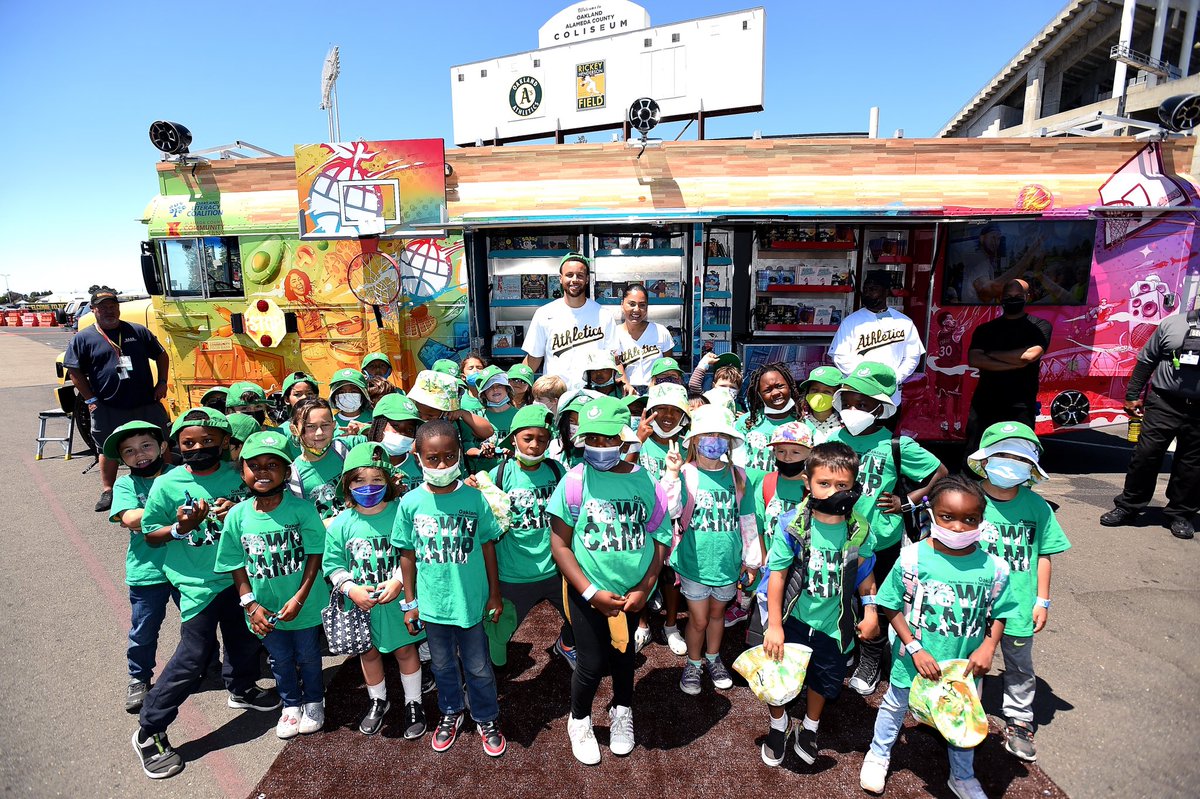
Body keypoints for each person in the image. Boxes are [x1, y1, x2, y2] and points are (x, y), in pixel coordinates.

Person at [132, 408, 278, 781]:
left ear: (225, 442)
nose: (199, 448)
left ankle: (242, 688)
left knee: (245, 638)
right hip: (197, 585)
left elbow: (262, 506)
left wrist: (239, 510)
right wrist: (180, 528)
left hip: (239, 578)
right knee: (193, 656)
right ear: (176, 446)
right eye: (189, 443)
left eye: (208, 441)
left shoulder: (239, 475)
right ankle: (150, 728)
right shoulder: (167, 484)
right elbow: (150, 534)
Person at [859, 475, 1019, 799]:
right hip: (914, 660)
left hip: (964, 666)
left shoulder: (994, 568)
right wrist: (914, 647)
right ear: (931, 513)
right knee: (895, 705)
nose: (959, 527)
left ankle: (962, 776)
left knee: (962, 715)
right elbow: (890, 603)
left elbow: (1000, 611)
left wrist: (989, 647)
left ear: (982, 520)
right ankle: (878, 754)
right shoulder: (913, 558)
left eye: (970, 519)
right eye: (948, 517)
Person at [547, 396, 671, 764]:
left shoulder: (645, 482)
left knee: (624, 655)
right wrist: (590, 592)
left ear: (623, 437)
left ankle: (622, 710)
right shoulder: (574, 481)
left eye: (608, 438)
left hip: (631, 594)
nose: (600, 446)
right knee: (590, 661)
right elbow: (560, 545)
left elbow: (660, 538)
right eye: (592, 439)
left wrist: (645, 587)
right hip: (587, 591)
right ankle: (580, 720)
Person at [833, 362, 947, 696]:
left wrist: (907, 501)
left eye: (862, 403)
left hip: (881, 541)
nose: (853, 409)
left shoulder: (897, 446)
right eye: (848, 401)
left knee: (880, 602)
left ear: (880, 408)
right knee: (841, 598)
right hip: (838, 537)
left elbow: (939, 473)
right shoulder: (832, 440)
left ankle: (871, 659)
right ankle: (846, 648)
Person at [760, 442, 877, 767]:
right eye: (824, 483)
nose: (833, 491)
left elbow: (866, 574)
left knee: (823, 680)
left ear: (854, 486)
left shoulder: (859, 529)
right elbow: (777, 576)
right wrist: (774, 625)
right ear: (808, 483)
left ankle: (810, 726)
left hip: (834, 626)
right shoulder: (793, 524)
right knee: (778, 676)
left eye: (842, 485)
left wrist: (870, 610)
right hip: (793, 619)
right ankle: (778, 723)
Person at [396, 420, 506, 757]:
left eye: (449, 456)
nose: (442, 465)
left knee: (478, 667)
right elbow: (407, 555)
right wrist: (410, 602)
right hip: (432, 606)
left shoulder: (474, 499)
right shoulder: (410, 503)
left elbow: (488, 546)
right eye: (433, 458)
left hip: (470, 603)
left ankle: (486, 715)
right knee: (442, 666)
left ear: (459, 453)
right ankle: (450, 711)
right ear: (418, 458)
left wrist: (494, 593)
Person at [967, 422, 1069, 762]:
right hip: (971, 601)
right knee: (967, 658)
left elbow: (1044, 555)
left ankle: (1020, 719)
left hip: (1020, 603)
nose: (1011, 463)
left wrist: (1043, 600)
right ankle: (966, 709)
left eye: (1020, 458)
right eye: (1003, 454)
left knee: (1019, 664)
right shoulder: (968, 498)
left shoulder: (1038, 507)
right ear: (985, 459)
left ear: (1032, 467)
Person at [216, 430, 326, 739]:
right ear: (242, 472)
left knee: (308, 655)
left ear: (287, 472)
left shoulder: (303, 510)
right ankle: (290, 705)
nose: (263, 472)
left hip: (303, 605)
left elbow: (316, 554)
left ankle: (314, 701)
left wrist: (300, 597)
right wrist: (251, 605)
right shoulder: (237, 516)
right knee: (279, 658)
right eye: (254, 465)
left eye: (272, 465)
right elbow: (235, 564)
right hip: (264, 609)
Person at [324, 442, 427, 738]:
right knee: (367, 653)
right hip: (360, 605)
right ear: (347, 484)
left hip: (398, 601)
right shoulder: (341, 523)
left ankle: (414, 702)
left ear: (389, 481)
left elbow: (415, 551)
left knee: (406, 649)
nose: (367, 487)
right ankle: (378, 700)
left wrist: (398, 581)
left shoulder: (401, 513)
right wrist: (351, 589)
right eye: (359, 480)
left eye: (376, 479)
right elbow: (332, 564)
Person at [663, 405, 760, 697]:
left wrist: (751, 561)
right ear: (694, 439)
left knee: (718, 615)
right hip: (694, 562)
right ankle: (694, 663)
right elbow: (669, 509)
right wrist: (671, 474)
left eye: (721, 436)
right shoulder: (686, 473)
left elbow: (748, 521)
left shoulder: (739, 476)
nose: (714, 441)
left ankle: (714, 657)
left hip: (727, 564)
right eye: (708, 434)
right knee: (699, 619)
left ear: (729, 442)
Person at [64, 288, 170, 512]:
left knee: (161, 441)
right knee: (106, 448)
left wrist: (162, 382)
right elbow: (74, 370)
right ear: (93, 310)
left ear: (118, 308)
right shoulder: (83, 338)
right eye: (103, 307)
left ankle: (170, 482)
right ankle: (108, 490)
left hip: (145, 402)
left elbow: (162, 355)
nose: (109, 311)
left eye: (112, 306)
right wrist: (90, 399)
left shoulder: (137, 331)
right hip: (107, 406)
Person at [486, 405, 575, 668]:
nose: (535, 445)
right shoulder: (499, 474)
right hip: (513, 574)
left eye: (542, 439)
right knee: (497, 639)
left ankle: (566, 644)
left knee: (581, 619)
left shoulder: (557, 471)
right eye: (528, 438)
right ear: (513, 438)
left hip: (554, 569)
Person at [1101, 308, 1200, 539]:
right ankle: (1128, 507)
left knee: (1192, 464)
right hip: (1164, 403)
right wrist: (1132, 394)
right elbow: (1147, 360)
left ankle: (1180, 513)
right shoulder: (1173, 324)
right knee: (1145, 455)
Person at [105, 421, 177, 714]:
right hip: (146, 571)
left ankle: (208, 665)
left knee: (198, 624)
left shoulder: (178, 474)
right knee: (144, 629)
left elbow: (140, 518)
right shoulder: (125, 484)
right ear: (122, 459)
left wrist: (148, 516)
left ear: (162, 446)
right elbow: (129, 518)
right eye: (129, 451)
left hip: (186, 567)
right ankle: (139, 677)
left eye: (146, 445)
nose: (139, 454)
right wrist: (174, 511)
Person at [630, 383, 691, 653]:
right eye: (661, 409)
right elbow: (622, 469)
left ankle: (671, 625)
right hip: (641, 521)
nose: (667, 415)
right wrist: (637, 441)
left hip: (675, 523)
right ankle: (642, 624)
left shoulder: (689, 444)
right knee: (641, 573)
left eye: (675, 410)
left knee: (671, 575)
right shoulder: (637, 441)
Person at [964, 279, 1052, 459]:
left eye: (1018, 296)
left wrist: (991, 354)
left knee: (1018, 455)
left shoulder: (1040, 326)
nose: (1013, 299)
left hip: (1020, 404)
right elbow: (974, 359)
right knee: (977, 453)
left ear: (1027, 297)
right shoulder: (985, 329)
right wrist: (1015, 362)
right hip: (985, 403)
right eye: (1008, 296)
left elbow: (1029, 356)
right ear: (1001, 298)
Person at [522, 253, 619, 388]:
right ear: (560, 278)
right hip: (555, 394)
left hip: (593, 393)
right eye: (569, 275)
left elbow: (614, 358)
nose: (574, 280)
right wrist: (515, 382)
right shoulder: (544, 314)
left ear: (587, 279)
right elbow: (534, 358)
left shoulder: (604, 315)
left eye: (580, 275)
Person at [829, 271, 925, 404]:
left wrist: (895, 378)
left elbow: (912, 356)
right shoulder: (851, 321)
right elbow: (839, 356)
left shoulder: (904, 322)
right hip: (858, 391)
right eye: (866, 289)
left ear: (886, 292)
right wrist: (864, 378)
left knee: (889, 417)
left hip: (890, 393)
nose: (867, 293)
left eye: (873, 289)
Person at [287, 397, 365, 521]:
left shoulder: (348, 447)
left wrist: (366, 429)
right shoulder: (293, 476)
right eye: (310, 426)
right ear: (294, 429)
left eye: (325, 425)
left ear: (334, 425)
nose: (319, 432)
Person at [407, 369, 493, 475]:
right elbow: (409, 454)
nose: (424, 418)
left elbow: (488, 431)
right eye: (420, 414)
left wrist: (463, 414)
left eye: (430, 416)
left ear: (446, 412)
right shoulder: (413, 423)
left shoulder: (455, 423)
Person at [737, 363, 803, 473]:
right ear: (759, 395)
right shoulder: (745, 422)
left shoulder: (803, 424)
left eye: (780, 386)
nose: (775, 393)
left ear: (790, 387)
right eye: (767, 390)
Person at [614, 283, 676, 390]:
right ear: (622, 304)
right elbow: (615, 369)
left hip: (656, 391)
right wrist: (626, 386)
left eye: (642, 305)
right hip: (626, 392)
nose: (636, 309)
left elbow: (669, 367)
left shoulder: (660, 331)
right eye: (632, 304)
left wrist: (656, 384)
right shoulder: (614, 334)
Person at [366, 394, 424, 497]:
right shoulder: (364, 464)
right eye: (396, 426)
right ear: (379, 425)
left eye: (410, 430)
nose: (402, 434)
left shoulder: (420, 466)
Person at [476, 365, 518, 472]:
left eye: (499, 385)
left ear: (507, 389)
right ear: (483, 394)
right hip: (485, 473)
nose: (495, 389)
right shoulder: (478, 417)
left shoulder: (520, 415)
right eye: (489, 387)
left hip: (513, 472)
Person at [799, 366, 844, 444]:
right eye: (814, 390)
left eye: (827, 392)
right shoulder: (800, 423)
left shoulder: (844, 425)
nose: (819, 395)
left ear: (838, 395)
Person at [328, 368, 374, 435]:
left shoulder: (375, 417)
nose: (347, 395)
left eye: (353, 391)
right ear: (334, 396)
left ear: (363, 394)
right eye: (341, 392)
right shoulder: (330, 422)